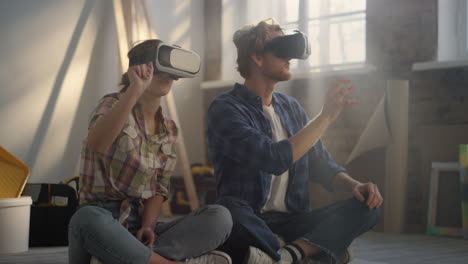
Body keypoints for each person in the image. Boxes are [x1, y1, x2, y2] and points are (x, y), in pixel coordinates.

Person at [206, 19, 383, 264]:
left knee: (369, 207)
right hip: (250, 219)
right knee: (225, 214)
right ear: (257, 57)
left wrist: (354, 185)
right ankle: (315, 249)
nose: (290, 57)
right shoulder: (225, 109)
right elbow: (273, 158)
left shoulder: (291, 108)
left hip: (293, 221)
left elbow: (321, 164)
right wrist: (326, 116)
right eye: (282, 49)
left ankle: (287, 254)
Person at [68, 39, 233, 264]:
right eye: (158, 68)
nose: (167, 75)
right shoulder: (111, 104)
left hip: (137, 227)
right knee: (85, 218)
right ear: (136, 69)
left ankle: (135, 258)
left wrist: (147, 225)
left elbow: (159, 186)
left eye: (171, 71)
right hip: (102, 217)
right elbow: (97, 144)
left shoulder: (169, 128)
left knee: (219, 216)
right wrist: (135, 90)